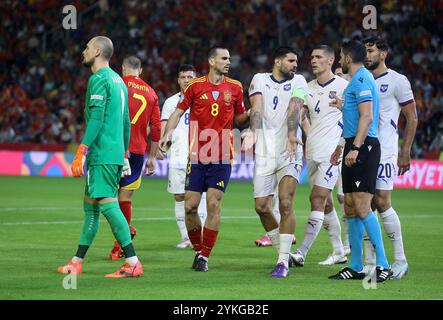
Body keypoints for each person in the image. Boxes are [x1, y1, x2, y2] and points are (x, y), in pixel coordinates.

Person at [57, 36, 143, 278]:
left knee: (107, 205)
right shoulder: (119, 81)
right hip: (114, 153)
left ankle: (133, 261)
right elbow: (126, 122)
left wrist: (81, 150)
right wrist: (124, 153)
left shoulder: (98, 79)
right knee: (91, 208)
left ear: (96, 52)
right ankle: (76, 261)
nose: (83, 51)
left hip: (101, 154)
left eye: (86, 48)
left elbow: (96, 119)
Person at [159, 46, 249, 272]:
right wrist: (168, 133)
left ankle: (205, 257)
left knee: (213, 203)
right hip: (197, 155)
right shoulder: (195, 86)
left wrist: (253, 116)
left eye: (229, 58)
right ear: (211, 61)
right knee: (189, 207)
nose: (228, 61)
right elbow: (178, 113)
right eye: (224, 58)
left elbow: (240, 117)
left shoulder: (236, 87)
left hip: (222, 155)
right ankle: (199, 249)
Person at [328, 40, 391, 282]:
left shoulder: (363, 79)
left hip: (363, 147)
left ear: (347, 57)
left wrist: (355, 147)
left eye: (340, 56)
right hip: (353, 144)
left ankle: (382, 265)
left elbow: (367, 115)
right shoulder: (357, 81)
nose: (339, 60)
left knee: (363, 207)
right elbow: (358, 113)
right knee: (352, 208)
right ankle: (355, 266)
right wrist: (343, 107)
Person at [243, 46, 307, 278]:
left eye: (296, 61)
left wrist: (292, 136)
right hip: (264, 152)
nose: (295, 64)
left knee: (286, 203)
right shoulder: (259, 79)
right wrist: (252, 131)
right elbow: (257, 108)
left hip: (289, 152)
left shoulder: (299, 80)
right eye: (291, 60)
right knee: (261, 206)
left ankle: (282, 262)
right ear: (277, 61)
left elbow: (294, 109)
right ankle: (285, 251)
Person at [362, 35, 417, 279]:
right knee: (365, 204)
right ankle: (369, 262)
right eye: (365, 50)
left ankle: (400, 260)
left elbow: (412, 117)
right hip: (364, 149)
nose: (367, 55)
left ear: (383, 54)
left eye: (371, 50)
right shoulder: (361, 78)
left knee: (382, 200)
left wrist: (405, 151)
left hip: (386, 150)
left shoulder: (398, 80)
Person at [289, 45, 349, 267]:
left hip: (332, 154)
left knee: (316, 198)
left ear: (331, 60)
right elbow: (301, 115)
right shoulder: (308, 87)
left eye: (318, 57)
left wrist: (342, 147)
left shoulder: (344, 86)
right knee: (325, 204)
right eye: (311, 56)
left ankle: (302, 251)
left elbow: (356, 118)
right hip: (312, 152)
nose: (313, 60)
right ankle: (339, 251)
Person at [108, 55, 161, 260]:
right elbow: (156, 128)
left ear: (123, 68)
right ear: (141, 71)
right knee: (125, 198)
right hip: (138, 151)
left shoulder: (116, 84)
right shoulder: (151, 93)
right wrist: (152, 157)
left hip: (113, 148)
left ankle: (122, 236)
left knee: (106, 198)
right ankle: (120, 244)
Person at [157, 64, 207, 249]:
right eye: (183, 77)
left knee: (198, 197)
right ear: (178, 80)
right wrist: (161, 146)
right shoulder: (171, 102)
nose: (187, 80)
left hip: (199, 157)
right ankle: (186, 237)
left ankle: (198, 236)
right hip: (177, 156)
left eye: (190, 77)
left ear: (196, 79)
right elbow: (164, 126)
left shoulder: (204, 98)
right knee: (179, 197)